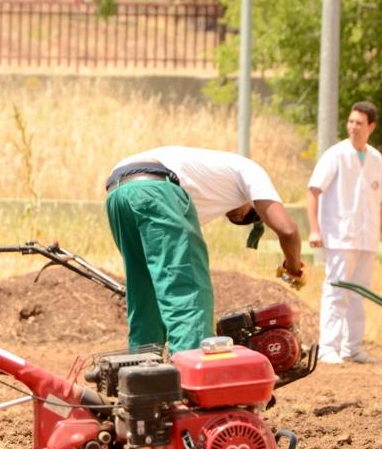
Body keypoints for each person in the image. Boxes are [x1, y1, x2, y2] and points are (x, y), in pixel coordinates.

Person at [104, 146, 305, 353]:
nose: (238, 218)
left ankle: (141, 372)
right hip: (157, 187)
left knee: (144, 290)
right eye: (251, 215)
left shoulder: (207, 187)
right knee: (187, 288)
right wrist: (294, 268)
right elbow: (288, 230)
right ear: (253, 201)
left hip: (118, 193)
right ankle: (191, 374)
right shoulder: (250, 170)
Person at [306, 101, 382, 365]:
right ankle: (328, 347)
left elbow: (380, 202)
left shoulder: (376, 158)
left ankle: (353, 348)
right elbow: (313, 191)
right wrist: (314, 229)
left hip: (367, 238)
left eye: (359, 123)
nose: (353, 127)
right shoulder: (336, 155)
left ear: (371, 126)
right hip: (339, 235)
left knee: (360, 293)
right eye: (351, 122)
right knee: (336, 291)